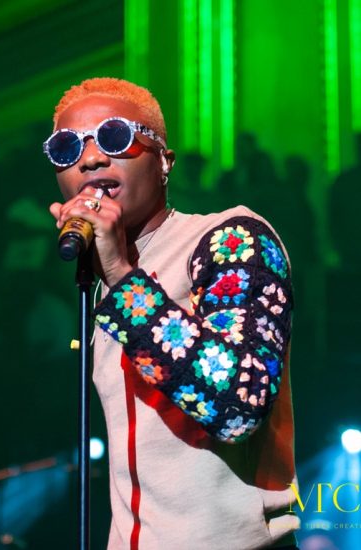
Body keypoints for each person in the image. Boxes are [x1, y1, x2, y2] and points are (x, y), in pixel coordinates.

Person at [45, 77, 299, 549]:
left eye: (115, 137)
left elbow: (238, 407)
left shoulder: (231, 238)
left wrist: (122, 278)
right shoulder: (103, 287)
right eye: (67, 147)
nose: (91, 158)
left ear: (164, 161)